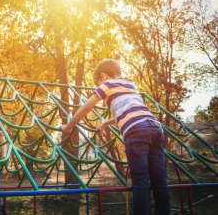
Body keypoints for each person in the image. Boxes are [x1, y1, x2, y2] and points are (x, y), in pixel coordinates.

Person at [60, 58, 170, 215]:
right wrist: (105, 123)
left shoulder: (107, 85)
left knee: (140, 180)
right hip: (154, 128)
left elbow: (86, 107)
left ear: (103, 76)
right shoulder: (130, 85)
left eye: (98, 82)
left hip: (136, 131)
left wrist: (68, 127)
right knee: (159, 180)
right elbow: (129, 111)